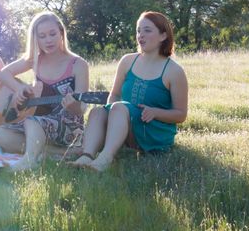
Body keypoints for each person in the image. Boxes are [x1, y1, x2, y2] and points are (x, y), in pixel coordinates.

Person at [69, 11, 188, 172]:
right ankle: (87, 156)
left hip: (153, 131)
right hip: (125, 126)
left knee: (119, 107)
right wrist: (109, 112)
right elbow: (115, 94)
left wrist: (155, 112)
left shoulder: (174, 71)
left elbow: (181, 114)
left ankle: (105, 158)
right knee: (98, 111)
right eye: (138, 30)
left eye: (147, 30)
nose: (141, 35)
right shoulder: (127, 61)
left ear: (163, 36)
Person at [0, 11, 89, 171]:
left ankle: (29, 161)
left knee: (31, 121)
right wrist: (19, 89)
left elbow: (82, 108)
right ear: (35, 38)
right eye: (42, 36)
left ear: (61, 33)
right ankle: (61, 153)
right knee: (0, 133)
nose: (48, 40)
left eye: (52, 34)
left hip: (68, 126)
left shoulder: (78, 64)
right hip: (39, 120)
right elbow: (3, 73)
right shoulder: (35, 60)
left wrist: (73, 106)